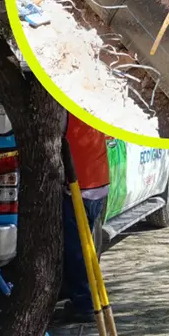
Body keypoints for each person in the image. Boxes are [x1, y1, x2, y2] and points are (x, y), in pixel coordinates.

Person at [61, 112, 110, 322]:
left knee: (76, 249)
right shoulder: (96, 106)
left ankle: (85, 304)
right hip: (98, 183)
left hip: (78, 187)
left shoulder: (65, 110)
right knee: (85, 246)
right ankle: (90, 298)